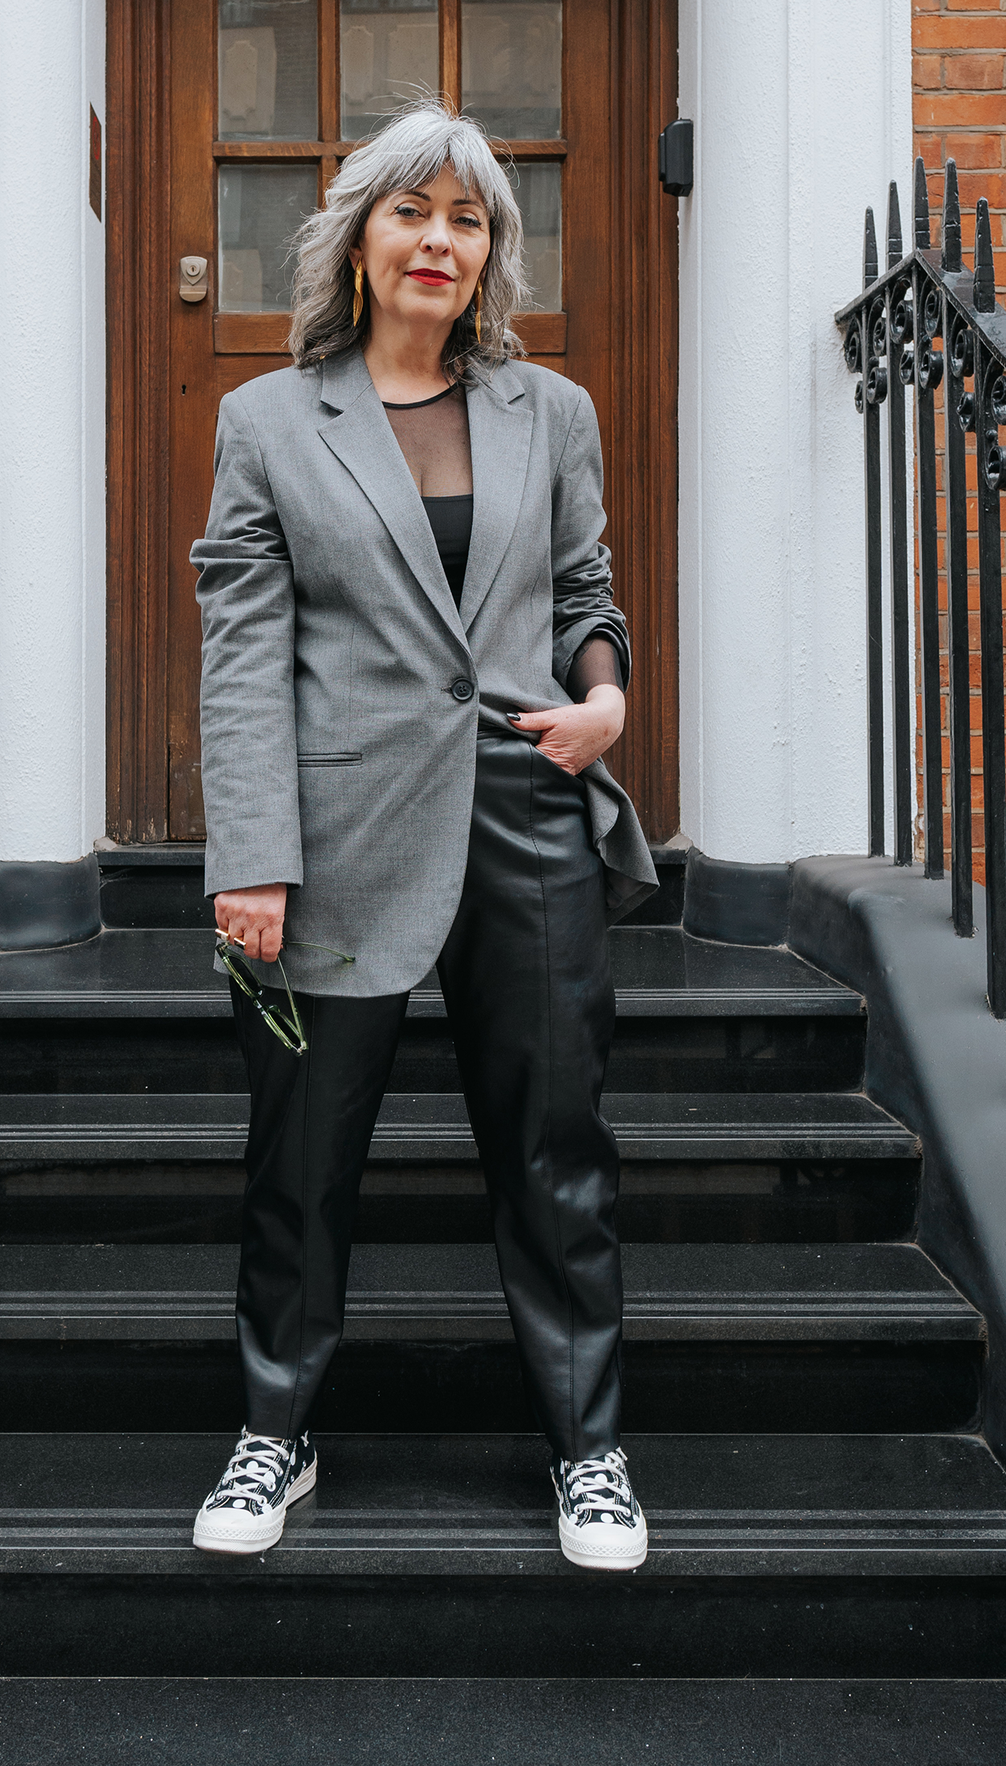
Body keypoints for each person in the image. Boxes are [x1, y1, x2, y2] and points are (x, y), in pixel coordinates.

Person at [188, 98, 657, 1571]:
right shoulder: (267, 422)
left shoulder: (551, 411)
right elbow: (244, 652)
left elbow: (586, 591)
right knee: (304, 1159)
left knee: (554, 1149)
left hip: (528, 814)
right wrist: (250, 854)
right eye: (414, 212)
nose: (439, 241)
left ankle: (591, 1452)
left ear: (491, 251)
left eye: (469, 219)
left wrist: (606, 701)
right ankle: (277, 1432)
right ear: (359, 237)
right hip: (335, 834)